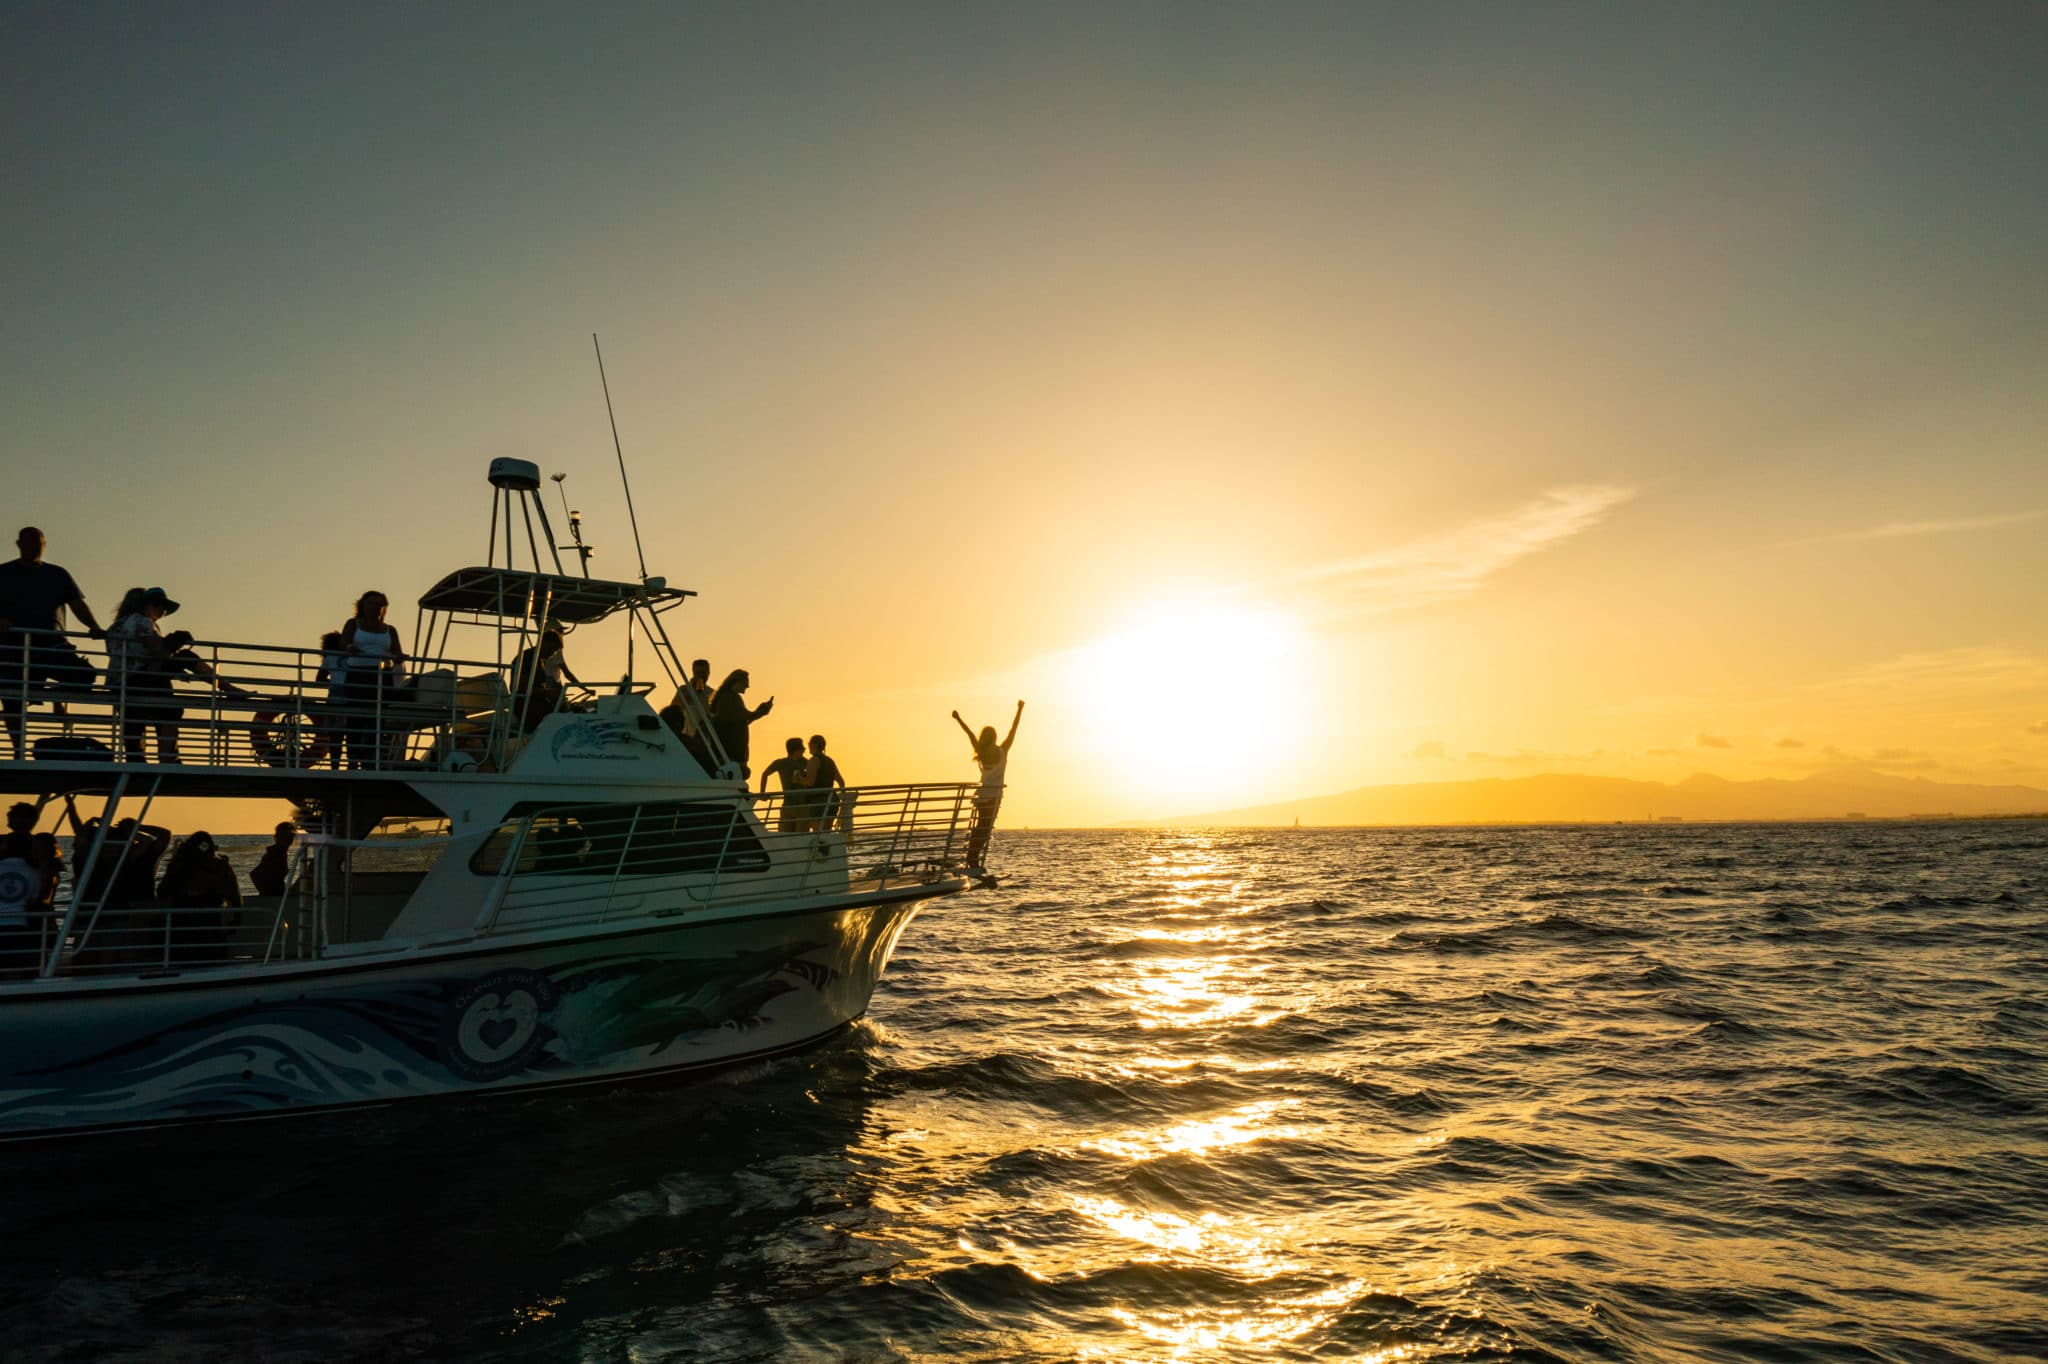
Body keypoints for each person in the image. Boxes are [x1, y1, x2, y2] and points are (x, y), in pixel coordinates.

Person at [0, 526, 105, 759]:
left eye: (37, 544)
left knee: (84, 675)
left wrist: (94, 626)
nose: (33, 548)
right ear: (19, 545)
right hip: (14, 648)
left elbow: (77, 604)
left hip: (52, 645)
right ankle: (18, 752)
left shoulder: (57, 574)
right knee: (12, 699)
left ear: (44, 545)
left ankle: (53, 693)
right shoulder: (4, 574)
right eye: (28, 543)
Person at [106, 586, 241, 763]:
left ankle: (139, 759)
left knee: (135, 719)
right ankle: (226, 687)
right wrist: (172, 644)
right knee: (171, 703)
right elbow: (158, 650)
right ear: (148, 605)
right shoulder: (141, 622)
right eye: (160, 606)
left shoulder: (117, 626)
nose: (162, 612)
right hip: (139, 677)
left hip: (120, 682)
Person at [336, 590, 408, 769]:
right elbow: (343, 643)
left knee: (377, 719)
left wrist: (399, 657)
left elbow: (396, 650)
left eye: (379, 604)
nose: (375, 607)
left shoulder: (390, 629)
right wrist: (350, 648)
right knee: (355, 719)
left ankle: (373, 760)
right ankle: (353, 760)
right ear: (362, 605)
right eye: (371, 603)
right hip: (358, 673)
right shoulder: (353, 624)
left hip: (382, 675)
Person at [952, 701, 1023, 872]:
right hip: (993, 797)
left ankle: (971, 854)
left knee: (980, 826)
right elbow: (1013, 730)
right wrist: (1019, 710)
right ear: (995, 737)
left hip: (981, 796)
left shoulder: (981, 750)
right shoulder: (1002, 750)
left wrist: (958, 719)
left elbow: (969, 733)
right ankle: (972, 856)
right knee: (985, 828)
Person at [156, 830, 243, 964]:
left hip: (187, 924)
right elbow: (234, 895)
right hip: (197, 924)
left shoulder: (180, 865)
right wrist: (237, 918)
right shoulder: (216, 867)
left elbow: (162, 892)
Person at [0, 802, 62, 974]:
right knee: (26, 962)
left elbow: (44, 891)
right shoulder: (37, 859)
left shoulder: (33, 851)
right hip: (26, 915)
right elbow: (42, 891)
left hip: (27, 916)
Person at [707, 669, 773, 779]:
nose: (748, 686)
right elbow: (745, 718)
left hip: (729, 750)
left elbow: (742, 720)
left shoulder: (724, 697)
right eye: (745, 682)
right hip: (732, 752)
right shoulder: (730, 698)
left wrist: (760, 711)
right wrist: (762, 711)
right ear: (737, 682)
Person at [514, 627, 580, 733]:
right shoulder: (528, 658)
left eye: (555, 652)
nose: (552, 654)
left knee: (568, 709)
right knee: (562, 715)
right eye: (552, 649)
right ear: (544, 642)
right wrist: (547, 693)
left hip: (533, 702)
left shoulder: (540, 661)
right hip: (525, 705)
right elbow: (522, 689)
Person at [758, 737, 812, 832]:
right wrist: (762, 792)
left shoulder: (807, 762)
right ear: (795, 750)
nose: (804, 750)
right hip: (788, 806)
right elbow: (765, 774)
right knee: (785, 836)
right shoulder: (781, 763)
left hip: (803, 806)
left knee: (801, 837)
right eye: (802, 748)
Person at [803, 734, 847, 833]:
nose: (808, 746)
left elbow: (810, 782)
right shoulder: (830, 761)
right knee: (827, 832)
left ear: (814, 745)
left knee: (817, 832)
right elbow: (841, 781)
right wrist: (843, 798)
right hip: (832, 799)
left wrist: (799, 779)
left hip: (818, 801)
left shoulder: (813, 760)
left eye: (809, 743)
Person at [250, 820, 295, 897]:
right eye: (290, 836)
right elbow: (255, 874)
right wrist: (267, 894)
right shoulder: (275, 854)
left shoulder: (281, 853)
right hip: (275, 896)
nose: (292, 839)